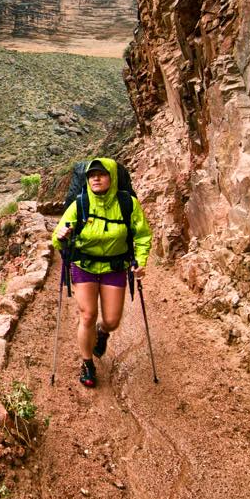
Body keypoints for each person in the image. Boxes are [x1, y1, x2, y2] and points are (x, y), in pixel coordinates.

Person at [51, 158, 152, 388]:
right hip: (84, 265)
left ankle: (102, 332)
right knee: (87, 315)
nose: (95, 178)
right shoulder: (80, 204)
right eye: (91, 175)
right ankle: (87, 364)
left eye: (102, 174)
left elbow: (143, 235)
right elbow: (57, 235)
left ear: (112, 177)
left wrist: (141, 261)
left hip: (115, 266)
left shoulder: (128, 204)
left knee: (112, 320)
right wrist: (61, 236)